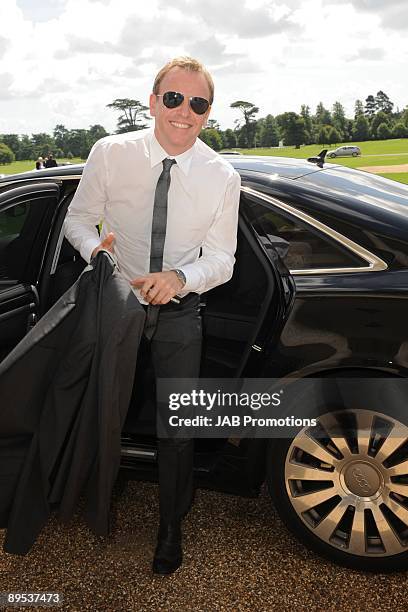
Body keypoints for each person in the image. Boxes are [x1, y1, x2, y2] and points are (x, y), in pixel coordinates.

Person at [63, 56, 241, 575]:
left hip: (182, 311)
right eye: (174, 98)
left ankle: (170, 525)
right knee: (103, 408)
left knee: (177, 425)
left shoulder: (221, 176)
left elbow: (223, 259)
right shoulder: (110, 153)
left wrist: (181, 278)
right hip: (116, 300)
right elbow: (77, 220)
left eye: (198, 103)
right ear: (153, 100)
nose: (185, 111)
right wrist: (98, 252)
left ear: (208, 114)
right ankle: (90, 500)